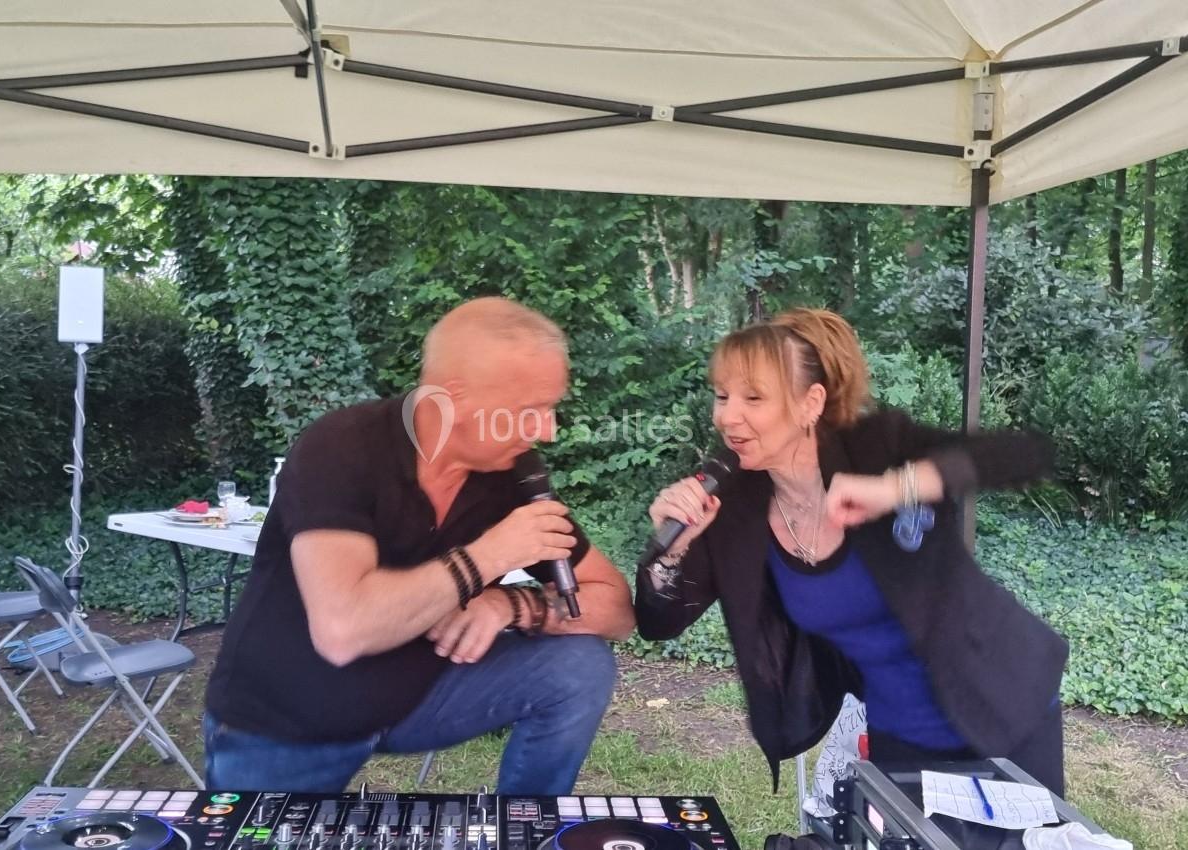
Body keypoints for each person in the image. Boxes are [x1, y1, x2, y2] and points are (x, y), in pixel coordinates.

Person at [204, 297, 635, 795]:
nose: (549, 430)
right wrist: (490, 556)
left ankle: (527, 827)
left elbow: (616, 608)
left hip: (415, 699)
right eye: (530, 410)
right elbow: (343, 630)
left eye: (552, 407)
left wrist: (511, 603)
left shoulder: (510, 475)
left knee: (580, 664)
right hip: (285, 722)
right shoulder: (343, 446)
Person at [635, 308, 1068, 796]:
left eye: (753, 397)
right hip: (898, 729)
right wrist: (672, 552)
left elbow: (1025, 454)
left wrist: (898, 487)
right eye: (721, 395)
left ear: (809, 403)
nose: (727, 415)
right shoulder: (734, 506)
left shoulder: (878, 447)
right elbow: (658, 622)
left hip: (1004, 695)